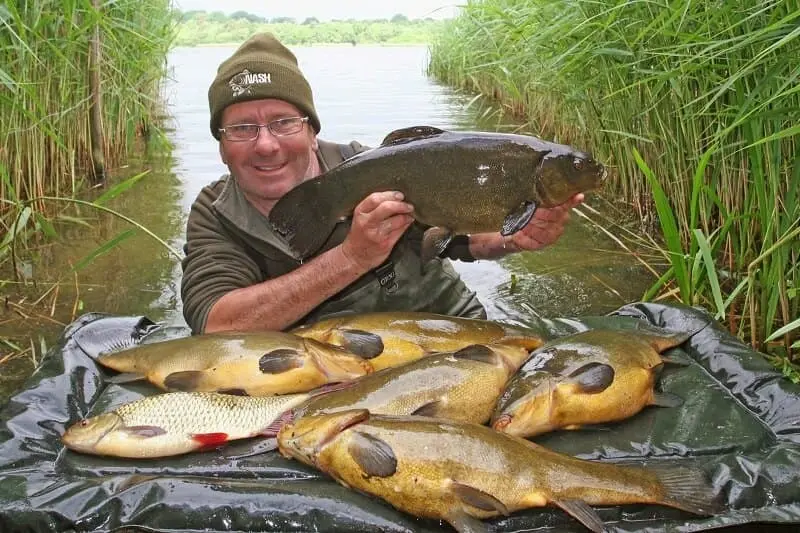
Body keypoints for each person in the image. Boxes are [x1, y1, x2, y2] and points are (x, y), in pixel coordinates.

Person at [180, 32, 583, 335]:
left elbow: (459, 238)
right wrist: (352, 257)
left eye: (283, 122)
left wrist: (516, 236)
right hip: (335, 354)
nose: (266, 144)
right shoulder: (215, 213)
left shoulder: (369, 165)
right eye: (242, 128)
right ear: (220, 146)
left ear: (311, 131)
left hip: (445, 324)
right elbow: (215, 324)